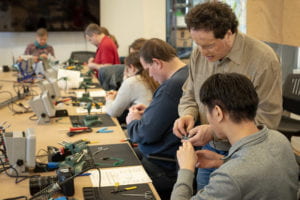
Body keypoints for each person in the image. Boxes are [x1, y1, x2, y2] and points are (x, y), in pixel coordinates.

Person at [172, 2, 282, 190]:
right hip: (209, 149)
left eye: (209, 45)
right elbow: (189, 94)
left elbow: (268, 120)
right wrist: (188, 114)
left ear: (230, 33)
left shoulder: (263, 60)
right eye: (197, 44)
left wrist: (215, 130)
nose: (202, 51)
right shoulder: (199, 54)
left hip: (245, 155)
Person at [171, 73, 298, 200]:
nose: (208, 119)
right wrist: (223, 161)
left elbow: (239, 175)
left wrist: (186, 170)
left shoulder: (230, 177)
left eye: (207, 112)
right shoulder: (280, 140)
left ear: (218, 112)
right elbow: (256, 171)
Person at [126, 38, 188, 200]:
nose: (150, 76)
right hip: (171, 159)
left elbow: (146, 133)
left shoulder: (171, 86)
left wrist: (132, 121)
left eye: (148, 70)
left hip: (164, 167)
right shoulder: (187, 73)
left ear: (157, 63)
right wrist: (152, 112)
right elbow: (170, 115)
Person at [105, 52, 158, 120]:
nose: (125, 72)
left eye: (126, 69)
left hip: (140, 124)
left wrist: (109, 99)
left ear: (132, 68)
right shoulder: (153, 78)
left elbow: (113, 112)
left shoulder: (132, 81)